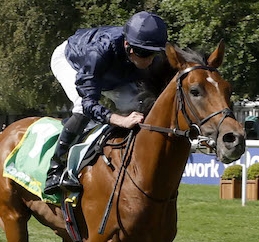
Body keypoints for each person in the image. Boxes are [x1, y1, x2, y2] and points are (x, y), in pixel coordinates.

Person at [43, 11, 168, 195]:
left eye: (153, 54)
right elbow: (88, 103)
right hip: (73, 62)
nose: (148, 60)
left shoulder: (148, 56)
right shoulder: (99, 50)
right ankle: (55, 169)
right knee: (81, 107)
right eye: (143, 53)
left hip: (114, 74)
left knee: (141, 104)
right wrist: (119, 120)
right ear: (127, 45)